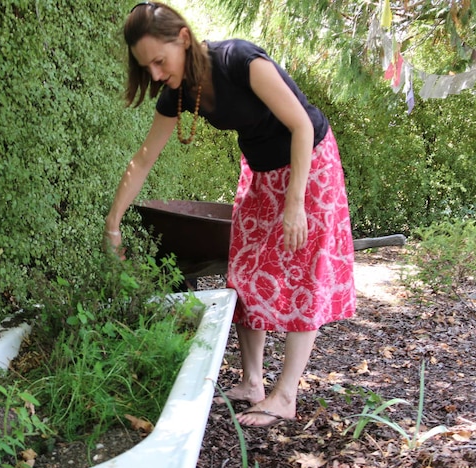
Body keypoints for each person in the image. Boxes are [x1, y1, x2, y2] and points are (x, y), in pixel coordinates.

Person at [104, 2, 356, 428]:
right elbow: (144, 158)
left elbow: (301, 125)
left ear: (183, 38)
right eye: (147, 67)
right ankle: (253, 383)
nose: (156, 75)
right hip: (260, 171)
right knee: (245, 269)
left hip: (308, 163)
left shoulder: (239, 61)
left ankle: (287, 395)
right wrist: (112, 225)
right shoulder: (178, 93)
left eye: (160, 61)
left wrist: (295, 204)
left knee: (306, 269)